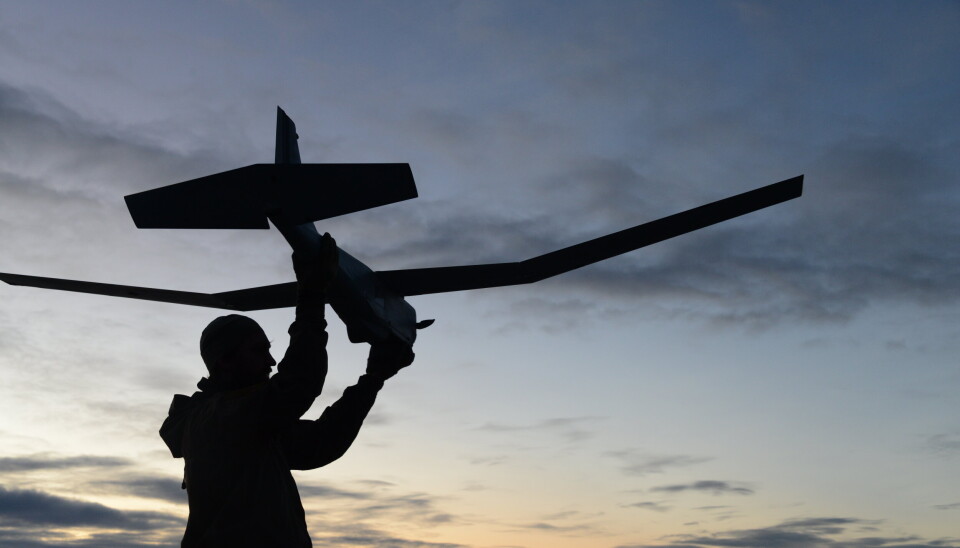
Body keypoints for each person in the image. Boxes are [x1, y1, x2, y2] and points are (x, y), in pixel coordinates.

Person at [159, 233, 414, 547]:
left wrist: (373, 379)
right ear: (225, 361)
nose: (270, 360)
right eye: (258, 351)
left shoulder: (248, 422)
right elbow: (297, 384)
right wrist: (311, 295)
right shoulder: (219, 418)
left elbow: (319, 443)